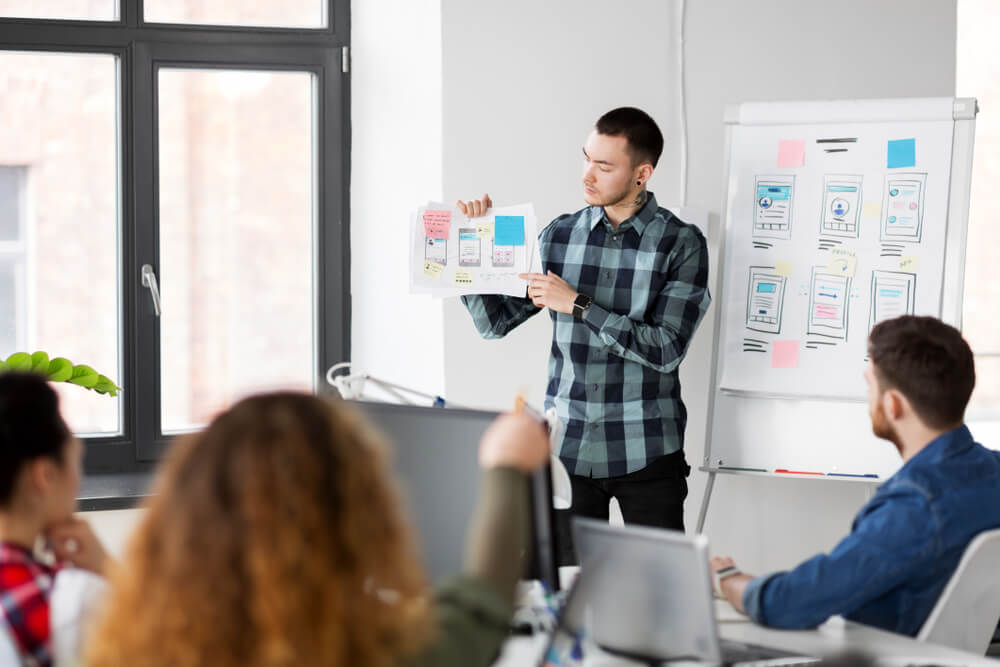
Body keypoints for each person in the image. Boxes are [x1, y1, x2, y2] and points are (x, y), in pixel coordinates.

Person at [85, 392, 549, 667]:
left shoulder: (120, 650)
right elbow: (479, 607)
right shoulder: (377, 655)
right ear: (360, 516)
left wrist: (114, 574)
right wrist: (506, 469)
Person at [458, 107, 711, 563]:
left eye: (604, 166)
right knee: (559, 598)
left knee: (658, 598)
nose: (587, 175)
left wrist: (579, 305)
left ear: (642, 173)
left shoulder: (681, 243)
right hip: (566, 451)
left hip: (647, 449)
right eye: (586, 159)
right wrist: (475, 246)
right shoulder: (559, 235)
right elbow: (494, 324)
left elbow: (667, 348)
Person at [711, 315, 1000, 636]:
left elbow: (788, 603)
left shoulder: (915, 505)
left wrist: (730, 579)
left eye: (870, 385)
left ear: (893, 404)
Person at [0, 372, 114, 667]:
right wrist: (110, 571)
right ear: (46, 475)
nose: (79, 481)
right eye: (77, 462)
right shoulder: (74, 603)